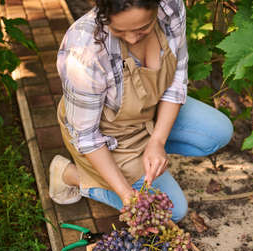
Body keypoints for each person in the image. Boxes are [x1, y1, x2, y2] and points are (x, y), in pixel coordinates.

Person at [49, 0, 233, 223]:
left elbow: (176, 81)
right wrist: (127, 196)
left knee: (218, 131)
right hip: (108, 136)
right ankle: (71, 175)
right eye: (119, 31)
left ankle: (145, 161)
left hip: (149, 113)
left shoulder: (171, 7)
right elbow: (87, 137)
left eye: (142, 29)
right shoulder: (84, 49)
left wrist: (157, 141)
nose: (131, 38)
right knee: (172, 212)